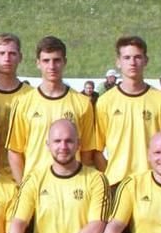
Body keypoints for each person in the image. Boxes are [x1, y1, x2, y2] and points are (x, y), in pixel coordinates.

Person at [6, 36, 101, 182]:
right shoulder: (23, 103)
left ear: (65, 62)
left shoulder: (82, 103)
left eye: (56, 60)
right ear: (38, 63)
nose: (51, 66)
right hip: (35, 186)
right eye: (46, 61)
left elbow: (87, 151)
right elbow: (15, 151)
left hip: (71, 185)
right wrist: (23, 187)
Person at [94, 36, 161, 185]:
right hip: (116, 182)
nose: (132, 62)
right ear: (118, 62)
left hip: (153, 184)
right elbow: (96, 149)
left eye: (137, 57)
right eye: (127, 58)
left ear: (146, 60)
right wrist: (111, 173)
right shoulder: (105, 102)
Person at [0, 34, 28, 151]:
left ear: (20, 57)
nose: (7, 58)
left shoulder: (32, 95)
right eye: (1, 53)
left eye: (12, 54)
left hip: (23, 167)